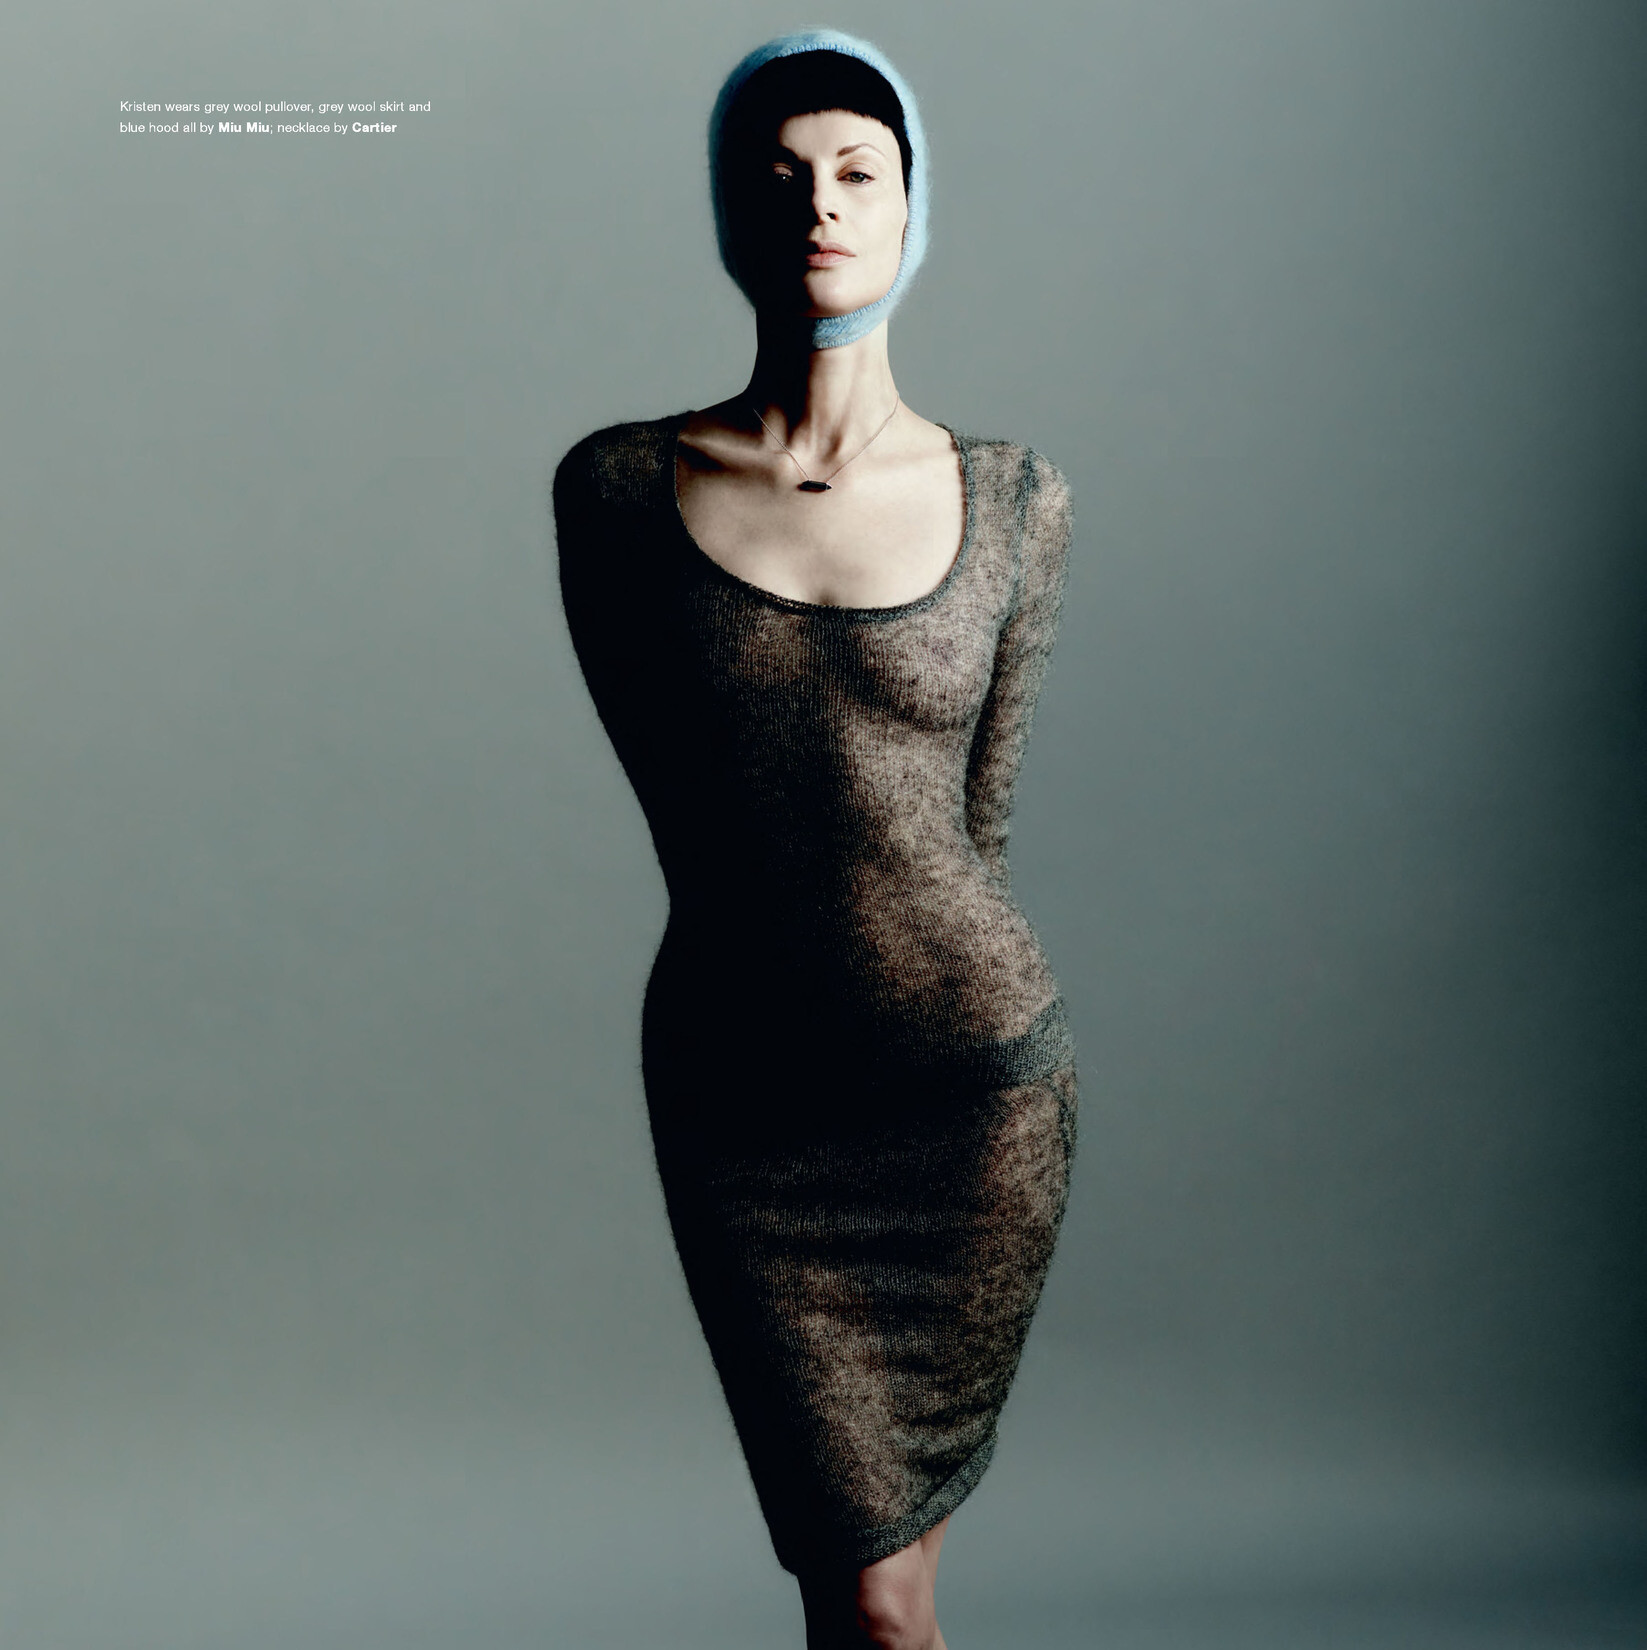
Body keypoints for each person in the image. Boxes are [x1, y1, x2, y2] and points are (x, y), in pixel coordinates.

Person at [552, 29, 1078, 1650]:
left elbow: (980, 826)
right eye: (779, 176)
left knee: (882, 1606)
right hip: (753, 1112)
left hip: (969, 1101)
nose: (821, 205)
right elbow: (687, 812)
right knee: (858, 1596)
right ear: (730, 210)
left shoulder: (1018, 499)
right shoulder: (617, 494)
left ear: (914, 207)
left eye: (860, 170)